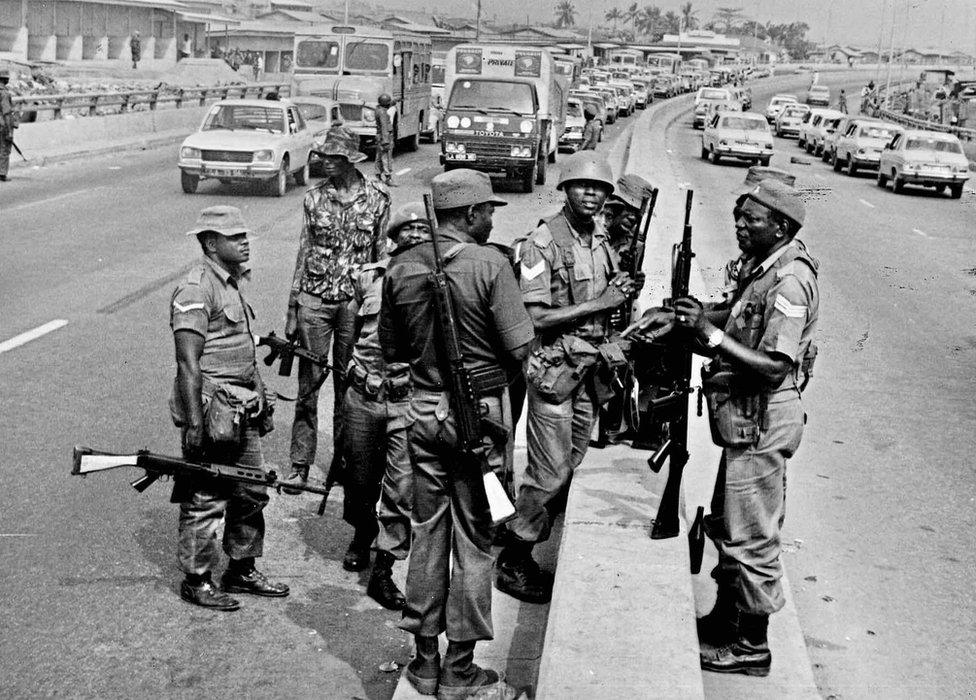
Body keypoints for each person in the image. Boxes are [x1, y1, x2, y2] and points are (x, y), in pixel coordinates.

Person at [635, 171, 819, 677]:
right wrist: (684, 318)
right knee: (726, 523)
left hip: (763, 420)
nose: (739, 224)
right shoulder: (764, 269)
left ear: (780, 227)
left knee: (753, 536)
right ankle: (724, 620)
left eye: (750, 219)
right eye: (739, 216)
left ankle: (751, 648)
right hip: (743, 420)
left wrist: (709, 337)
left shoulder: (791, 282)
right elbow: (734, 316)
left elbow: (774, 366)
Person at [380, 169, 534, 698]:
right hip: (478, 418)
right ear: (468, 215)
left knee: (427, 535)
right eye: (488, 211)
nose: (491, 219)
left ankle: (423, 663)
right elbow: (520, 351)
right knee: (475, 541)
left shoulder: (401, 267)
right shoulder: (490, 264)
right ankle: (461, 669)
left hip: (421, 413)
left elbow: (392, 349)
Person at [495, 153, 635, 604]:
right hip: (554, 370)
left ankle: (527, 543)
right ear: (565, 189)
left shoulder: (600, 239)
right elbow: (535, 317)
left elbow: (607, 301)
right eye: (582, 186)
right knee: (549, 472)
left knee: (568, 465)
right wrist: (601, 304)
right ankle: (513, 560)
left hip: (586, 369)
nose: (592, 194)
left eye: (600, 189)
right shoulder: (543, 242)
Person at [168, 206, 290, 611]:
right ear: (209, 243)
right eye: (233, 236)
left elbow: (239, 347)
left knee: (251, 491)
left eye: (244, 235)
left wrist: (262, 396)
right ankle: (197, 578)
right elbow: (188, 364)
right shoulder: (195, 289)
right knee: (207, 494)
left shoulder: (232, 283)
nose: (244, 241)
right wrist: (194, 425)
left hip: (242, 406)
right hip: (214, 409)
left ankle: (240, 568)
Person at [283, 128, 391, 497]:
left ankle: (344, 462)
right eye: (323, 156)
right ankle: (300, 465)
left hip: (353, 305)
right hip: (314, 299)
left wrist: (376, 314)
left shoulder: (378, 199)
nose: (324, 161)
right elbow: (303, 251)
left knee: (349, 386)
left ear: (349, 160)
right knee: (308, 387)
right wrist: (293, 307)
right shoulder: (314, 198)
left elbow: (380, 260)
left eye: (333, 157)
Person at [341, 202, 430, 609]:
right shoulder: (368, 279)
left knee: (400, 487)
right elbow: (348, 337)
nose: (414, 236)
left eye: (422, 231)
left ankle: (384, 568)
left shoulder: (435, 281)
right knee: (360, 478)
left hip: (405, 400)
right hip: (362, 395)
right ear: (392, 240)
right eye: (406, 231)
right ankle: (361, 533)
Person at [375, 93, 395, 186]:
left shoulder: (379, 109)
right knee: (386, 157)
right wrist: (386, 141)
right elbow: (384, 127)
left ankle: (378, 176)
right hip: (385, 136)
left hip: (380, 136)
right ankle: (388, 177)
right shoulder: (383, 112)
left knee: (379, 157)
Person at [0, 67, 16, 182]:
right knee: (4, 149)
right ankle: (2, 173)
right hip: (2, 126)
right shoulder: (4, 94)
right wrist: (10, 131)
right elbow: (6, 113)